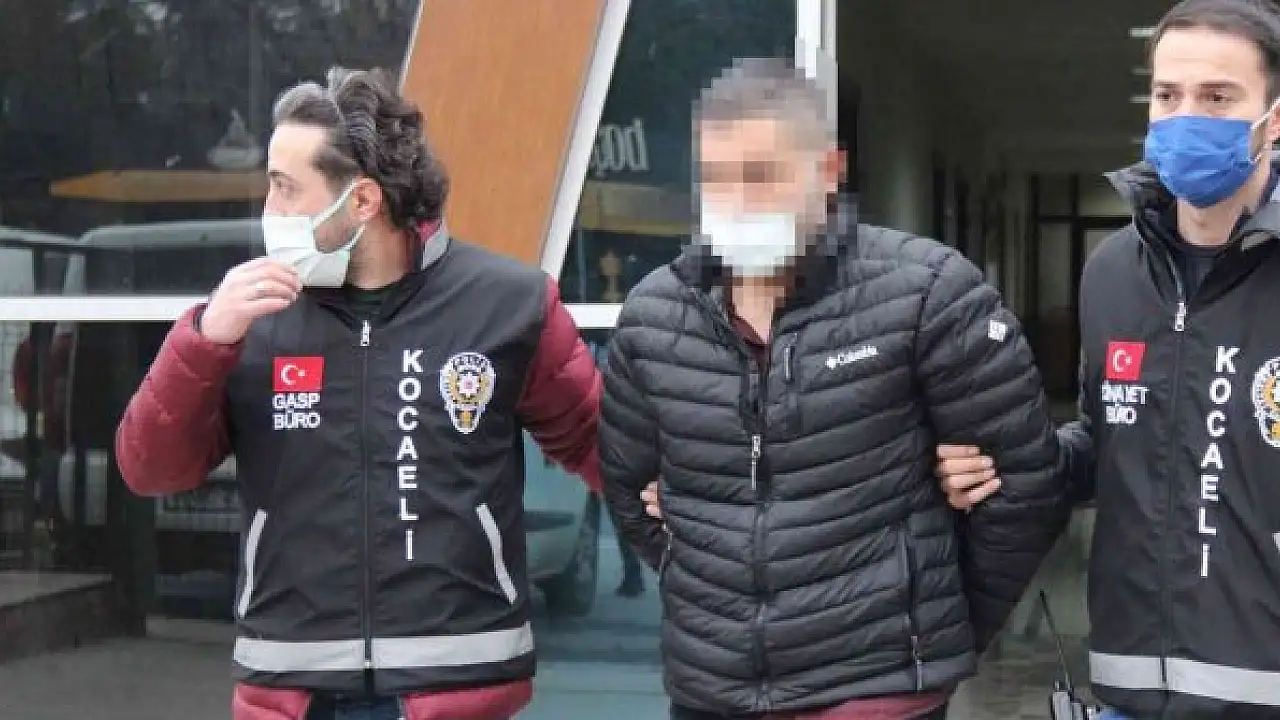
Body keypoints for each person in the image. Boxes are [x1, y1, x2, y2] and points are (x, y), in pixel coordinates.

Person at [114, 67, 601, 720]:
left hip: (452, 681)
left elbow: (609, 448)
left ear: (363, 201)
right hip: (294, 688)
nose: (269, 210)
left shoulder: (509, 303)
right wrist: (204, 339)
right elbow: (149, 469)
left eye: (286, 188)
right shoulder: (247, 319)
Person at [598, 57, 1069, 720]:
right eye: (716, 177)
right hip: (713, 692)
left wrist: (935, 629)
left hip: (874, 694)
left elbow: (1024, 486)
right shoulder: (654, 316)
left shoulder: (929, 293)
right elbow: (630, 491)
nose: (736, 199)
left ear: (828, 171)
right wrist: (711, 588)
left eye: (761, 174)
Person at [936, 1, 1280, 717]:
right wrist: (1004, 464)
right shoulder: (1114, 270)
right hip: (1128, 685)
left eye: (1218, 98)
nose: (1186, 116)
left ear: (1273, 120)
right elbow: (1107, 444)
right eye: (1167, 95)